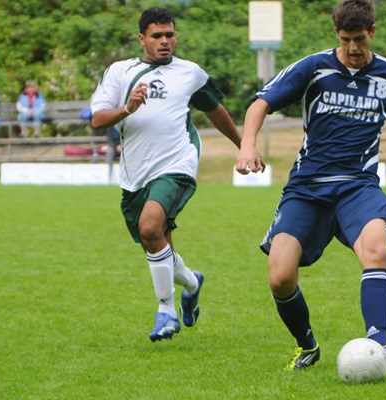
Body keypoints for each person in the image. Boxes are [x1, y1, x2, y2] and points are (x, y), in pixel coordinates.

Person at [236, 0, 386, 374]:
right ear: (337, 35)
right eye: (345, 40)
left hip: (358, 186)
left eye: (359, 39)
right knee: (280, 276)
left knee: (376, 249)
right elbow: (261, 103)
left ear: (372, 32)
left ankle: (380, 342)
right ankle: (307, 345)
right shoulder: (314, 68)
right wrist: (247, 144)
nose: (353, 48)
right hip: (307, 187)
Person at [90, 7, 242, 342]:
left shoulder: (190, 73)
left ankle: (166, 311)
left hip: (177, 165)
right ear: (141, 37)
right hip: (134, 174)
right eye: (157, 36)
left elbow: (216, 110)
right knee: (155, 241)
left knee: (150, 227)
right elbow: (98, 119)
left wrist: (243, 145)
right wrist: (127, 109)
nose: (164, 42)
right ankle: (192, 282)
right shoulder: (119, 72)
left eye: (169, 35)